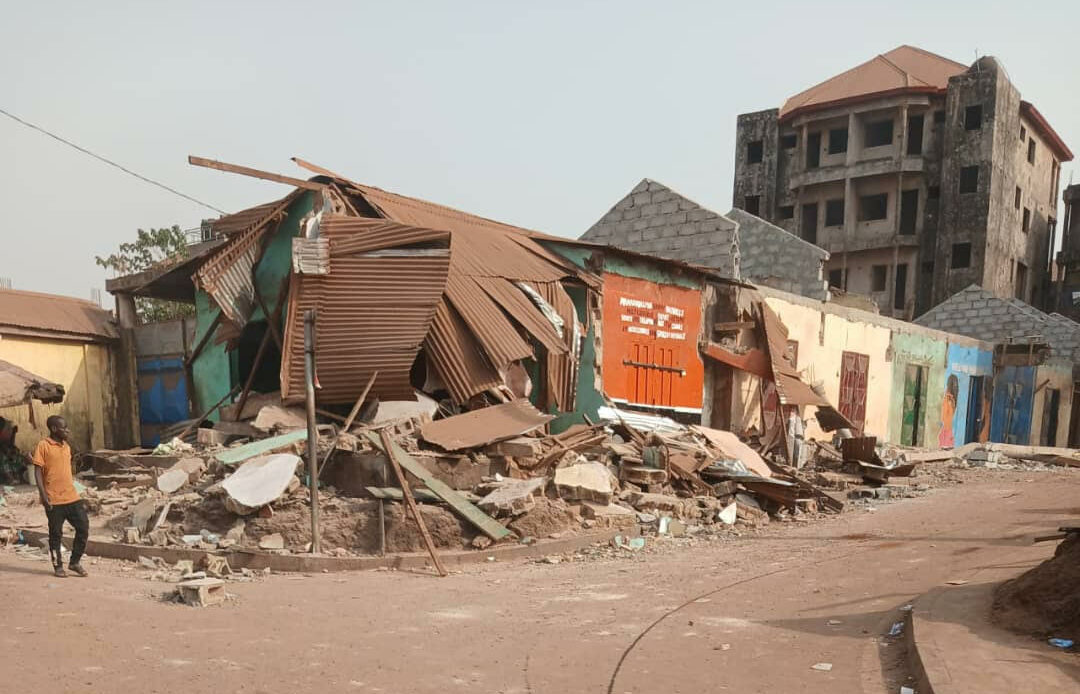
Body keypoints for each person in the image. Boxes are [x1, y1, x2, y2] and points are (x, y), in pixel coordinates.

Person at [32, 415, 89, 578]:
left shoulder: (66, 447)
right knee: (55, 534)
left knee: (83, 528)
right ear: (54, 429)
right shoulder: (43, 446)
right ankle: (58, 565)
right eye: (64, 428)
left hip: (72, 497)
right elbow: (37, 472)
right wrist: (44, 496)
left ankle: (75, 562)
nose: (67, 430)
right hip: (53, 500)